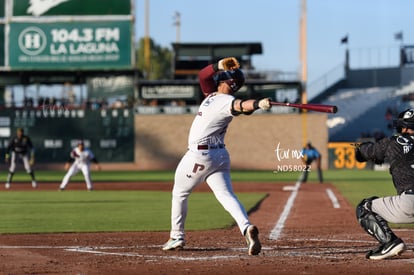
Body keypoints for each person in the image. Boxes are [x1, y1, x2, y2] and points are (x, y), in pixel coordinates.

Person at [162, 57, 272, 255]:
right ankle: (246, 228)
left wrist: (256, 104)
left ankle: (176, 236)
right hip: (219, 155)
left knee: (179, 193)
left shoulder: (224, 100)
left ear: (225, 81)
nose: (217, 77)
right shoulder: (212, 95)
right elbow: (203, 76)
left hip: (200, 155)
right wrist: (218, 65)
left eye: (221, 76)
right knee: (225, 195)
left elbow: (241, 105)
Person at [353, 108, 414, 260]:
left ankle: (390, 242)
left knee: (365, 207)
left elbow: (365, 153)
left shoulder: (394, 141)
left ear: (405, 127)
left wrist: (359, 147)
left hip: (410, 202)